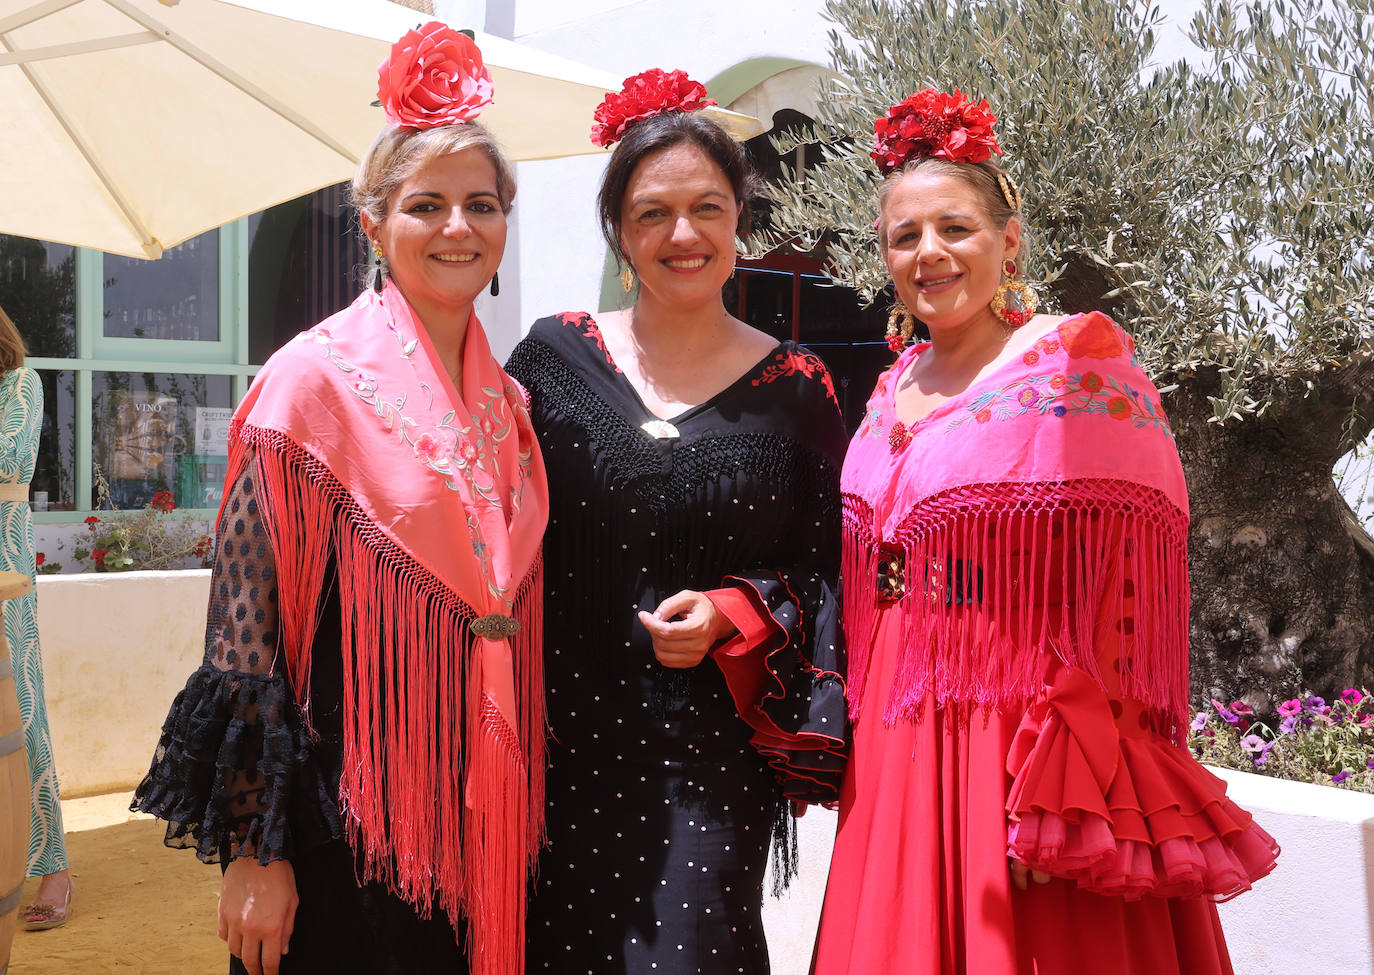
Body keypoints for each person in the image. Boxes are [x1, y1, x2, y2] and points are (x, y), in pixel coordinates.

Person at [809, 89, 1280, 975]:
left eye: (955, 228)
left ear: (1009, 239)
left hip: (1019, 731)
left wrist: (1074, 780)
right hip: (897, 730)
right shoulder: (893, 383)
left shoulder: (1076, 363)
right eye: (905, 236)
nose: (928, 252)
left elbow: (1125, 586)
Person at [131, 24, 547, 975]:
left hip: (479, 823)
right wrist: (256, 851)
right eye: (426, 205)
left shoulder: (512, 406)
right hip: (341, 832)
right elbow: (242, 643)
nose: (457, 227)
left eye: (481, 204)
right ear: (372, 223)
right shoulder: (306, 385)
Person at [505, 69, 849, 975]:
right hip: (554, 752)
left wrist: (734, 612)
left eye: (707, 208)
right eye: (652, 213)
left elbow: (831, 573)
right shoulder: (550, 358)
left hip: (711, 762)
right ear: (620, 233)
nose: (682, 234)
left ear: (741, 223)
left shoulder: (798, 390)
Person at [0, 305, 72, 931]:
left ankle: (53, 866)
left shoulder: (21, 383)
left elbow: (9, 463)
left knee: (20, 708)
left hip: (5, 566)